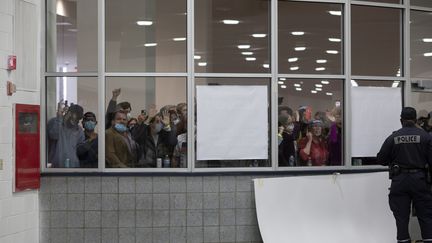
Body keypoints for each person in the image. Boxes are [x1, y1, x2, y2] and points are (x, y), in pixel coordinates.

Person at [377, 107, 432, 242]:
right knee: (426, 217)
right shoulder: (425, 136)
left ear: (401, 120)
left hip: (399, 181)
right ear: (415, 120)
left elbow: (381, 159)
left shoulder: (393, 137)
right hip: (420, 180)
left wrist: (395, 159)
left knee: (401, 218)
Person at [47, 102, 85, 168]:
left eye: (77, 120)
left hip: (73, 167)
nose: (75, 122)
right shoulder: (55, 122)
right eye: (74, 118)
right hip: (56, 168)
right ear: (69, 113)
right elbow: (53, 135)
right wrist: (59, 118)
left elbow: (80, 151)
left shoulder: (79, 130)